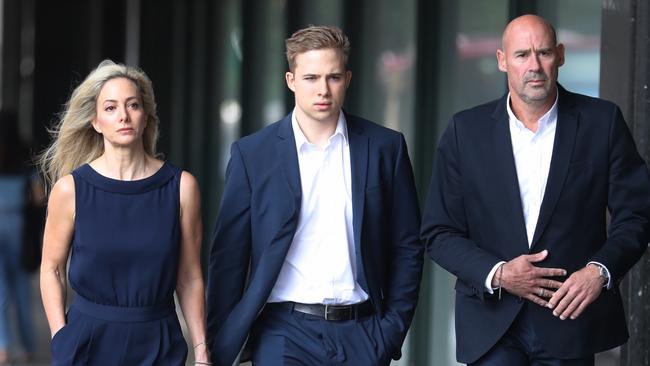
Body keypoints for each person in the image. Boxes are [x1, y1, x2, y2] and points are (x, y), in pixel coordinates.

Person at [421, 14, 650, 366]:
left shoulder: (601, 123)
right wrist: (498, 273)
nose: (534, 66)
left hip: (570, 320)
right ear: (502, 60)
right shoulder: (465, 131)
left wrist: (598, 271)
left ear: (560, 55)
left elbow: (637, 214)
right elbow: (438, 231)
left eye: (543, 53)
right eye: (522, 55)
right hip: (491, 325)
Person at [206, 25, 423, 365]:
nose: (323, 90)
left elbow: (407, 246)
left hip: (363, 333)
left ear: (347, 79)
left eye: (333, 77)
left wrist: (390, 330)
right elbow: (229, 257)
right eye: (310, 78)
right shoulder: (253, 155)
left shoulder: (385, 148)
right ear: (291, 80)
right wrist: (217, 345)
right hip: (285, 332)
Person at [39, 60, 210, 365]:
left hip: (158, 341)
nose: (123, 116)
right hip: (86, 342)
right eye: (110, 108)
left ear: (146, 117)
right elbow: (51, 269)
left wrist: (201, 350)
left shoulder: (182, 187)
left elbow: (189, 276)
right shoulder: (70, 190)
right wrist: (59, 337)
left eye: (133, 105)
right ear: (95, 121)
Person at [0, 110, 38, 364]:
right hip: (19, 225)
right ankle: (27, 347)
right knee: (22, 290)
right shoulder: (25, 155)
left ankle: (3, 346)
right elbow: (38, 196)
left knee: (0, 291)